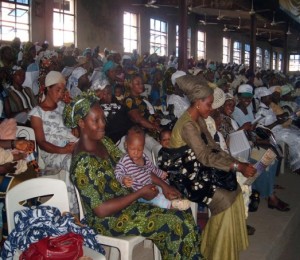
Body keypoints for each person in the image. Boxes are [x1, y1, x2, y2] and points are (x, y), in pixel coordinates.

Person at [63, 93, 203, 260]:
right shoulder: (82, 164)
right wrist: (140, 193)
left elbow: (135, 166)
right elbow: (101, 210)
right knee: (175, 222)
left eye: (103, 118)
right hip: (109, 220)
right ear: (81, 123)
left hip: (128, 201)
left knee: (183, 214)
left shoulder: (104, 143)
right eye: (96, 120)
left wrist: (164, 187)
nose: (103, 124)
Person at [169, 75, 256, 260]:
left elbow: (213, 147)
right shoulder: (188, 125)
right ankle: (216, 254)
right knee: (225, 198)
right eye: (209, 104)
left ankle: (218, 247)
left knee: (236, 189)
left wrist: (234, 162)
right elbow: (205, 156)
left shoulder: (198, 118)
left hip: (198, 167)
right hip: (186, 175)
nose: (211, 108)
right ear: (198, 103)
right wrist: (236, 165)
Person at [231, 86, 290, 211]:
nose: (247, 99)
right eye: (244, 97)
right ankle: (270, 196)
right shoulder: (235, 111)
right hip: (241, 148)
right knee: (267, 160)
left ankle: (264, 188)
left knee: (273, 157)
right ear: (239, 97)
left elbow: (254, 128)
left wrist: (260, 136)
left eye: (249, 97)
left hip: (251, 143)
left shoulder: (249, 108)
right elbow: (236, 135)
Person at [29, 71, 78, 213]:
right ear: (47, 89)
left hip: (70, 146)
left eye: (63, 90)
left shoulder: (63, 107)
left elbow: (74, 130)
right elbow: (42, 142)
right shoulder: (37, 113)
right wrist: (65, 150)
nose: (61, 93)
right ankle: (72, 210)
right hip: (52, 153)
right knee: (71, 160)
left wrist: (73, 117)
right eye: (58, 90)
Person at [115, 125, 190, 210]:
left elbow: (151, 168)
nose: (136, 152)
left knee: (164, 187)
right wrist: (123, 180)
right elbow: (118, 172)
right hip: (141, 193)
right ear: (126, 145)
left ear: (143, 147)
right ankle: (172, 205)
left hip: (150, 184)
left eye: (139, 149)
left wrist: (160, 173)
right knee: (157, 199)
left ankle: (177, 199)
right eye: (132, 149)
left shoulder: (143, 156)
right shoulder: (124, 161)